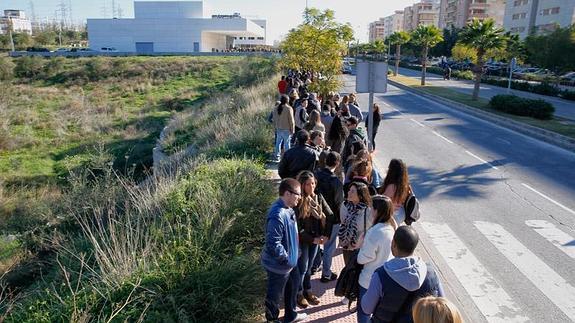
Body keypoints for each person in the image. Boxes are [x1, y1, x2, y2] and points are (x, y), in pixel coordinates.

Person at [361, 226, 445, 323]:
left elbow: (366, 309)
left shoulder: (381, 275)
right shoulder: (431, 273)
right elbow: (442, 304)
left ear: (393, 244)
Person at [261, 178, 307, 323]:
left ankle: (291, 315)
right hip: (279, 266)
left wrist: (295, 253)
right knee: (274, 295)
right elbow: (273, 243)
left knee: (294, 284)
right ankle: (272, 320)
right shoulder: (277, 214)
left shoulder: (289, 209)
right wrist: (287, 259)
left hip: (290, 263)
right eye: (297, 194)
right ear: (287, 194)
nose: (300, 197)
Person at [356, 195, 397, 323]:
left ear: (377, 211)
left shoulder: (374, 232)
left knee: (364, 312)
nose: (369, 210)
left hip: (368, 280)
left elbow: (363, 258)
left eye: (371, 208)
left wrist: (360, 247)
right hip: (386, 278)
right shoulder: (392, 227)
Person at [294, 171, 332, 309]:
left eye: (313, 183)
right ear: (302, 185)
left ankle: (308, 290)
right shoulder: (298, 201)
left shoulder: (318, 198)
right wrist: (313, 239)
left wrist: (326, 235)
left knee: (310, 267)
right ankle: (299, 293)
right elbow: (298, 228)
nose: (312, 186)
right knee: (302, 268)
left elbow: (330, 215)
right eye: (308, 184)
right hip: (304, 240)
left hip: (316, 239)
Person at [314, 151, 345, 283]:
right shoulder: (336, 182)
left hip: (315, 215)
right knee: (329, 246)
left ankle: (314, 266)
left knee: (315, 242)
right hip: (331, 219)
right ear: (337, 164)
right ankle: (326, 274)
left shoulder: (316, 175)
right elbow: (339, 203)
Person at [338, 182, 373, 266]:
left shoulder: (368, 210)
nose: (349, 192)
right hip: (346, 245)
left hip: (361, 248)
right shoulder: (344, 205)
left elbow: (371, 228)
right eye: (349, 190)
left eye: (352, 191)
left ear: (360, 195)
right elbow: (343, 222)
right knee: (349, 269)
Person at [379, 159, 411, 225]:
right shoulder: (406, 186)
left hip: (392, 213)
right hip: (401, 213)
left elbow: (383, 201)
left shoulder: (391, 186)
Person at [271, 94, 295, 162]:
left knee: (278, 143)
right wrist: (292, 129)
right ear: (287, 100)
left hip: (278, 128)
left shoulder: (275, 108)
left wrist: (275, 127)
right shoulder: (289, 108)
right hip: (287, 129)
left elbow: (274, 119)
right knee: (287, 144)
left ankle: (277, 156)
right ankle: (287, 158)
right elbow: (291, 120)